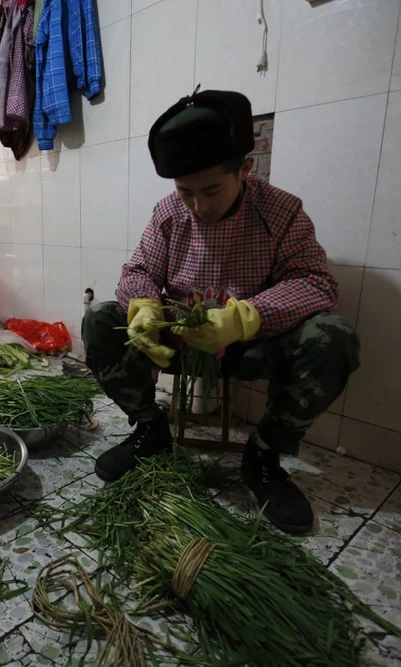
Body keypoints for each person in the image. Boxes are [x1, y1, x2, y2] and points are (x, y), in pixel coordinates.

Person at [81, 89, 361, 534]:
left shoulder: (281, 211)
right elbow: (137, 270)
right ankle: (150, 430)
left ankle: (265, 457)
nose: (198, 206)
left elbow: (317, 283)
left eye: (212, 189)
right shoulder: (170, 212)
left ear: (244, 169)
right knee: (101, 319)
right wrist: (145, 304)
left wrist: (245, 317)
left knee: (334, 335)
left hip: (251, 343)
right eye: (185, 191)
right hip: (178, 338)